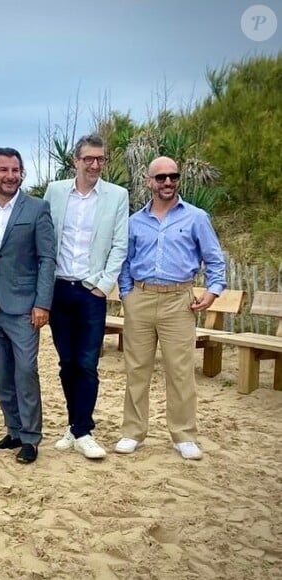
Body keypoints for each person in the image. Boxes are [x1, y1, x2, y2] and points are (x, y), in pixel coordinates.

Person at [115, 156, 226, 460]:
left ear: (178, 179)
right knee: (137, 369)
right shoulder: (134, 221)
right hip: (141, 297)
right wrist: (127, 294)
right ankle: (133, 432)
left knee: (180, 371)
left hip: (179, 301)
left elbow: (215, 259)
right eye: (160, 177)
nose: (167, 182)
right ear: (148, 182)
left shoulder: (196, 217)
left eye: (173, 177)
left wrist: (213, 292)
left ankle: (184, 435)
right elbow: (125, 261)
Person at [44, 134, 129, 460]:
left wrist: (103, 285)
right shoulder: (54, 192)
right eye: (88, 159)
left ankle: (84, 431)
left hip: (92, 291)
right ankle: (74, 424)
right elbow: (45, 236)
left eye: (101, 159)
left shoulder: (117, 196)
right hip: (59, 289)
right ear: (75, 161)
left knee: (87, 363)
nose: (95, 164)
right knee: (67, 363)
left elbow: (120, 244)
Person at [0, 148, 56, 464]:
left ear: (22, 174)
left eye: (16, 170)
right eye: (4, 170)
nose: (10, 176)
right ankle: (12, 430)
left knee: (26, 371)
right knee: (2, 374)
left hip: (25, 306)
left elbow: (47, 259)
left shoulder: (37, 208)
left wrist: (42, 303)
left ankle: (31, 438)